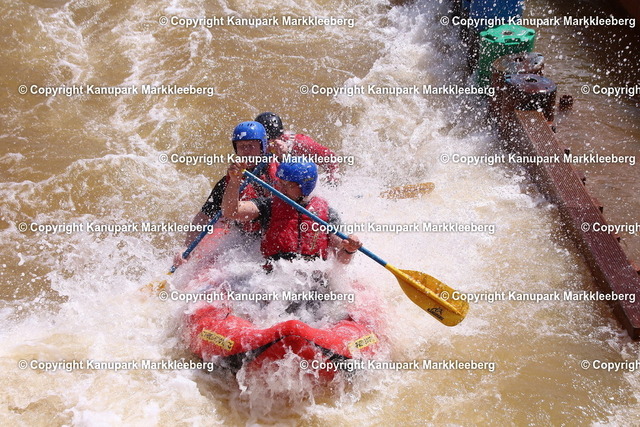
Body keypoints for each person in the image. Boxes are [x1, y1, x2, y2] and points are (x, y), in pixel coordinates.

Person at [173, 121, 276, 268]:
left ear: (263, 146)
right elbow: (203, 217)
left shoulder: (280, 173)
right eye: (241, 146)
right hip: (245, 236)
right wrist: (187, 247)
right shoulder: (227, 182)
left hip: (273, 233)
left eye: (251, 146)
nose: (246, 151)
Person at [221, 161, 361, 266]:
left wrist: (349, 249)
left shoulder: (328, 213)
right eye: (280, 183)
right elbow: (231, 211)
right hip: (275, 279)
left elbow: (341, 259)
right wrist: (234, 182)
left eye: (287, 185)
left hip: (314, 281)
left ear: (305, 186)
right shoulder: (267, 206)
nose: (281, 189)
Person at [255, 112, 341, 184]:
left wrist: (332, 183)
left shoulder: (299, 144)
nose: (268, 147)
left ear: (280, 137)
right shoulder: (255, 144)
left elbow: (331, 159)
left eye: (271, 142)